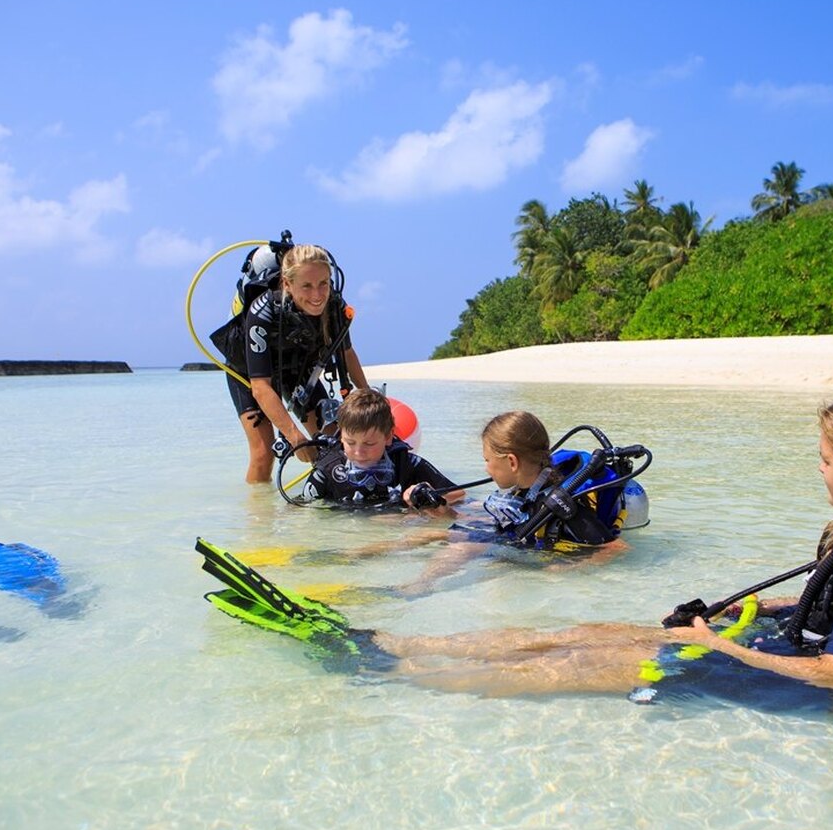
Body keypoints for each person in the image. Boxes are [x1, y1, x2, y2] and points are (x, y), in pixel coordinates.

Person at [199, 389, 833, 703]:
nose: (818, 471)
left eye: (825, 461)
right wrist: (755, 605)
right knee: (577, 631)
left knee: (571, 666)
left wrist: (721, 646)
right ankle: (389, 643)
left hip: (788, 677)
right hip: (770, 635)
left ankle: (396, 676)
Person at [343, 410, 630, 595]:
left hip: (539, 550)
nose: (486, 470)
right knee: (439, 530)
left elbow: (614, 548)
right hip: (520, 539)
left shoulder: (561, 503)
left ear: (512, 462)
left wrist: (566, 570)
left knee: (464, 542)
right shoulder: (526, 488)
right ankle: (357, 554)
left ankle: (418, 587)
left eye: (488, 462)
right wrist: (443, 511)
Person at [214, 244, 370, 483]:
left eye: (323, 284)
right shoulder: (263, 311)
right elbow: (261, 387)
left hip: (298, 370)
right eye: (306, 286)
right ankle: (259, 516)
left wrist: (370, 398)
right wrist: (294, 436)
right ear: (287, 284)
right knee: (263, 453)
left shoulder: (335, 306)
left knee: (337, 443)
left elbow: (347, 354)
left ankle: (333, 507)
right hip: (249, 374)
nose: (317, 295)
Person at [301, 389, 463, 510]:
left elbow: (459, 494)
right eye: (350, 443)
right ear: (341, 436)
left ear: (388, 437)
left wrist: (427, 494)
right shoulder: (328, 471)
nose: (358, 452)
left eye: (369, 444)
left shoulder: (405, 463)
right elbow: (298, 512)